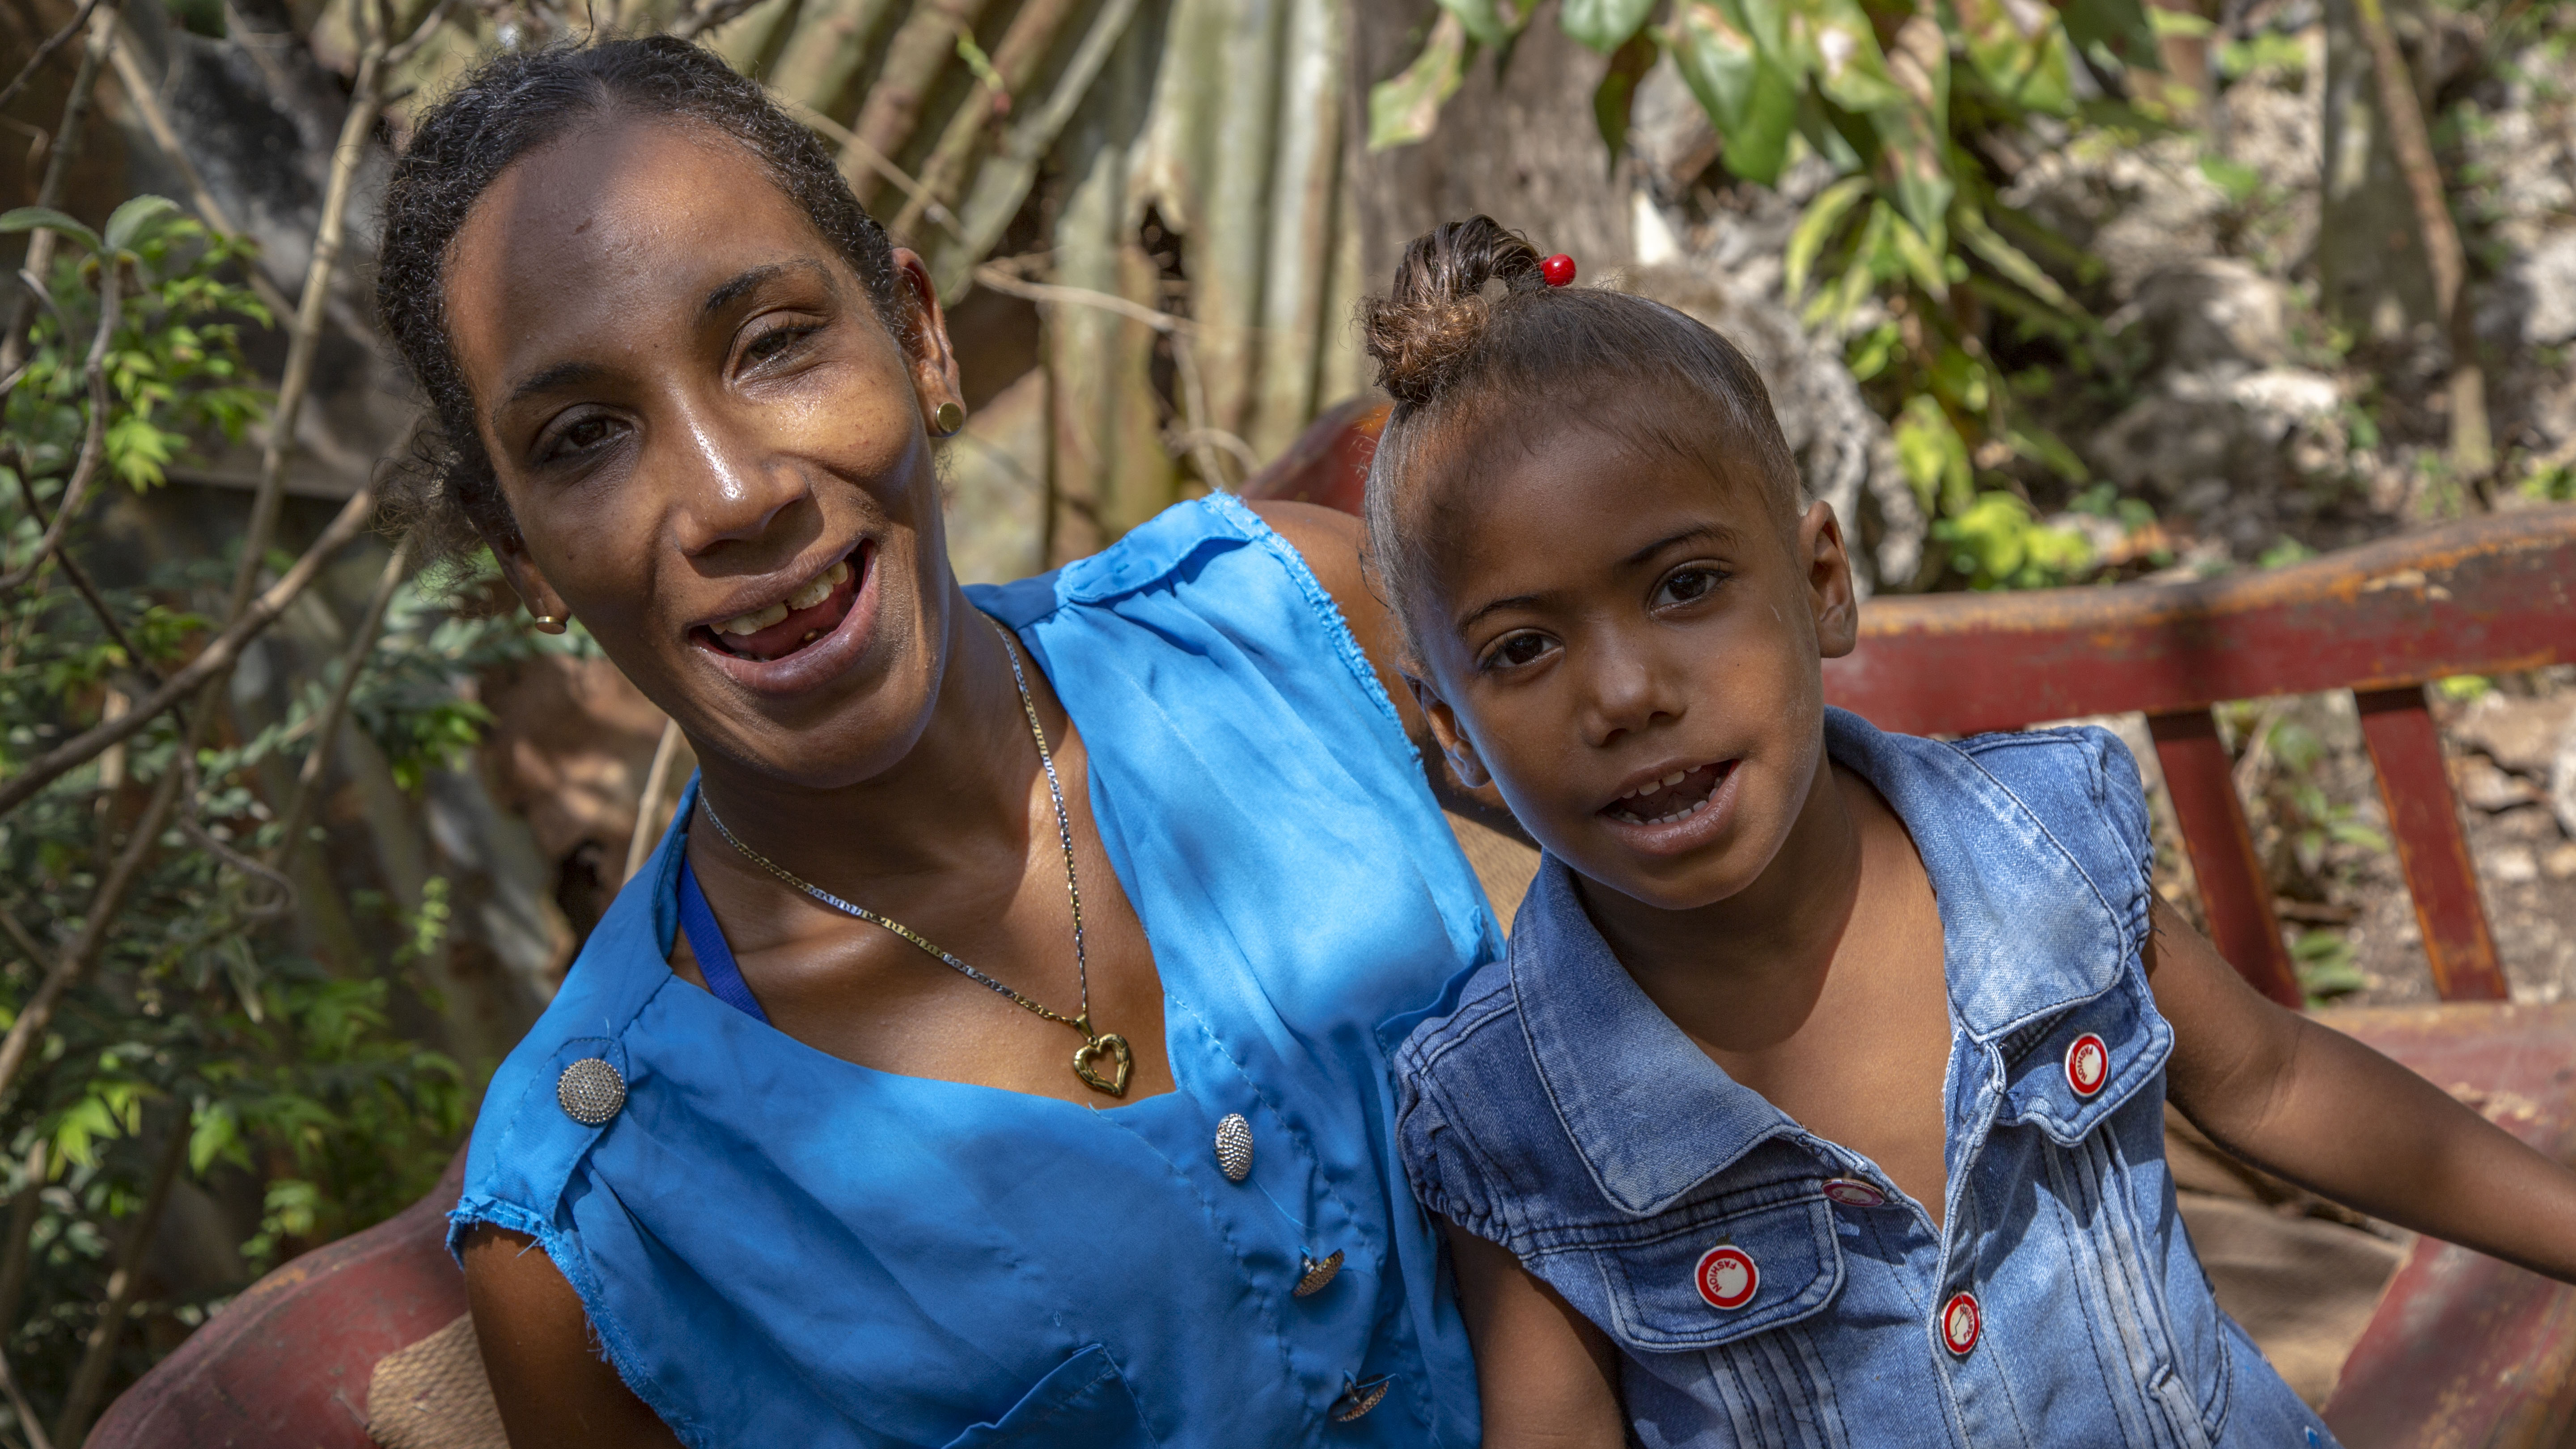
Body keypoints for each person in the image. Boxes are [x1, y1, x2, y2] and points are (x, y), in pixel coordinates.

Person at [373, 39, 1499, 1448]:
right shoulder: (601, 1226)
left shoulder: (1291, 626)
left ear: (921, 339)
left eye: (773, 345)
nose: (732, 496)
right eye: (585, 436)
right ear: (521, 557)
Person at [1364, 216, 2576, 1449]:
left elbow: (2273, 1081)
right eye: (1524, 648)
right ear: (1454, 735)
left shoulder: (2040, 849)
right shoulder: (1505, 1118)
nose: (1625, 694)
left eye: (1685, 586)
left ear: (1823, 584)